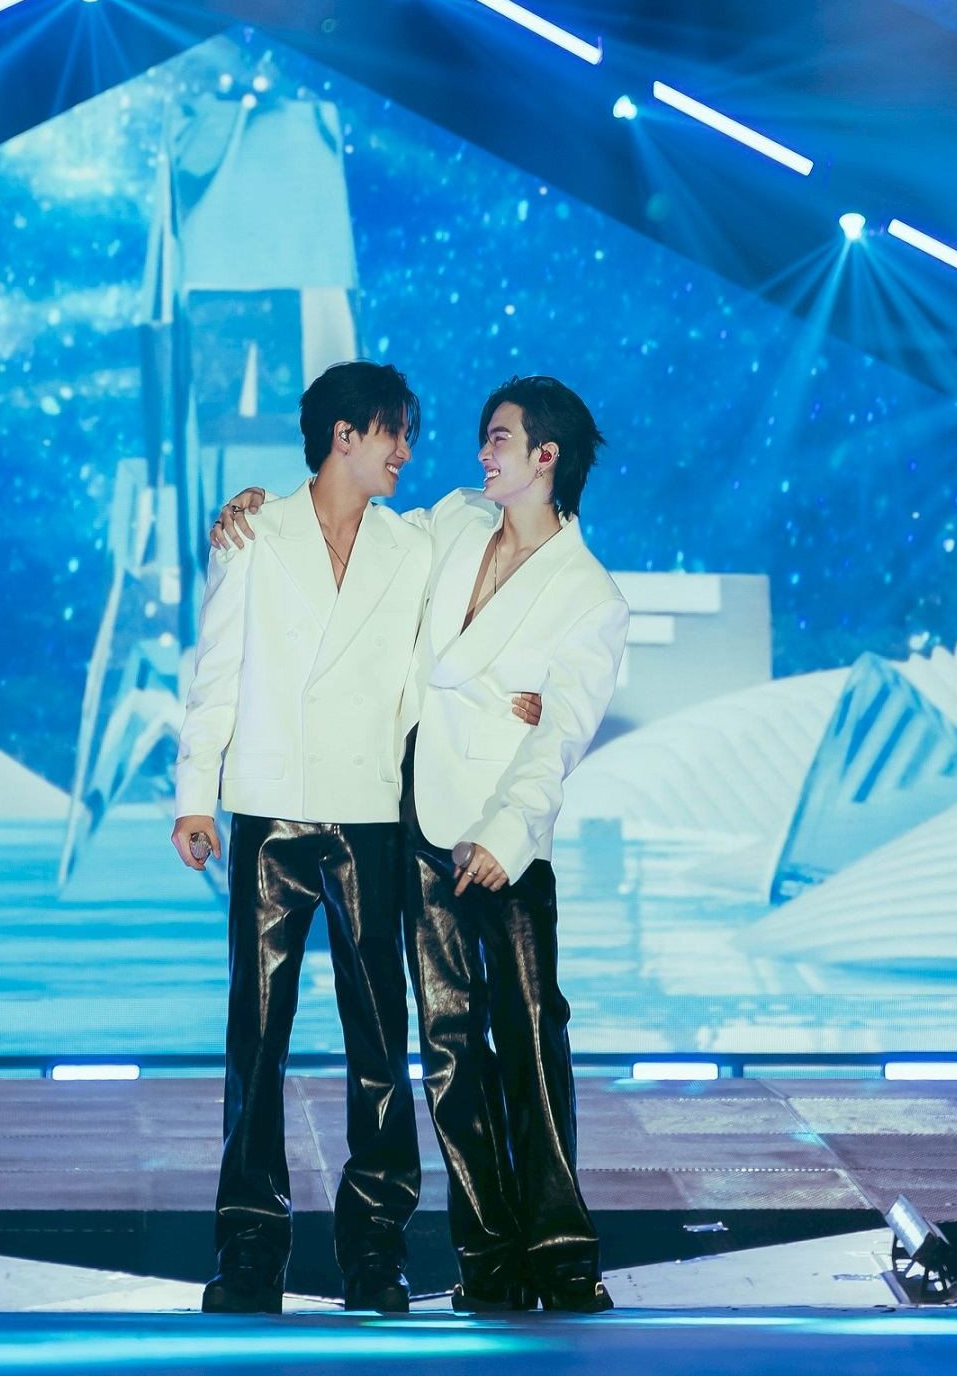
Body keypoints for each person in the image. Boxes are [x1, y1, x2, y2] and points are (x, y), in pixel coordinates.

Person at [213, 375, 628, 1314]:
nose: (481, 452)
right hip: (417, 822)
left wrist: (507, 833)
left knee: (529, 1042)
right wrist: (254, 509)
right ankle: (488, 1257)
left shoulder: (590, 594)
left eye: (499, 438)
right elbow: (352, 537)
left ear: (547, 455)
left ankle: (561, 1254)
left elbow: (561, 737)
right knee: (445, 1053)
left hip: (502, 839)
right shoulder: (449, 522)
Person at [171, 361, 432, 1316]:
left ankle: (377, 1250)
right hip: (271, 809)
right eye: (392, 433)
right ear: (343, 437)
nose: (405, 452)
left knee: (380, 1040)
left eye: (408, 436)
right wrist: (195, 798)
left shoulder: (414, 544)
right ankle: (250, 1249)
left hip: (369, 811)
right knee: (257, 1040)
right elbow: (216, 670)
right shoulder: (255, 533)